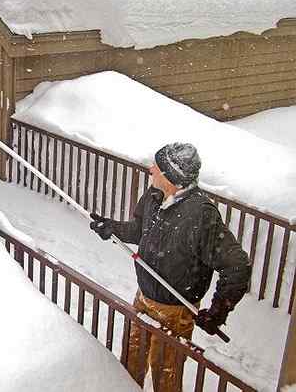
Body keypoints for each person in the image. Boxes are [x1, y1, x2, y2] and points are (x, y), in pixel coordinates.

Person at [90, 142, 251, 392]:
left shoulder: (200, 215)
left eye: (158, 167)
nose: (150, 169)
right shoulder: (154, 196)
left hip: (176, 312)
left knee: (165, 377)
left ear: (173, 175)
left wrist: (218, 311)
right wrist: (112, 228)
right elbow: (140, 229)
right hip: (144, 299)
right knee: (130, 365)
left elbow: (237, 266)